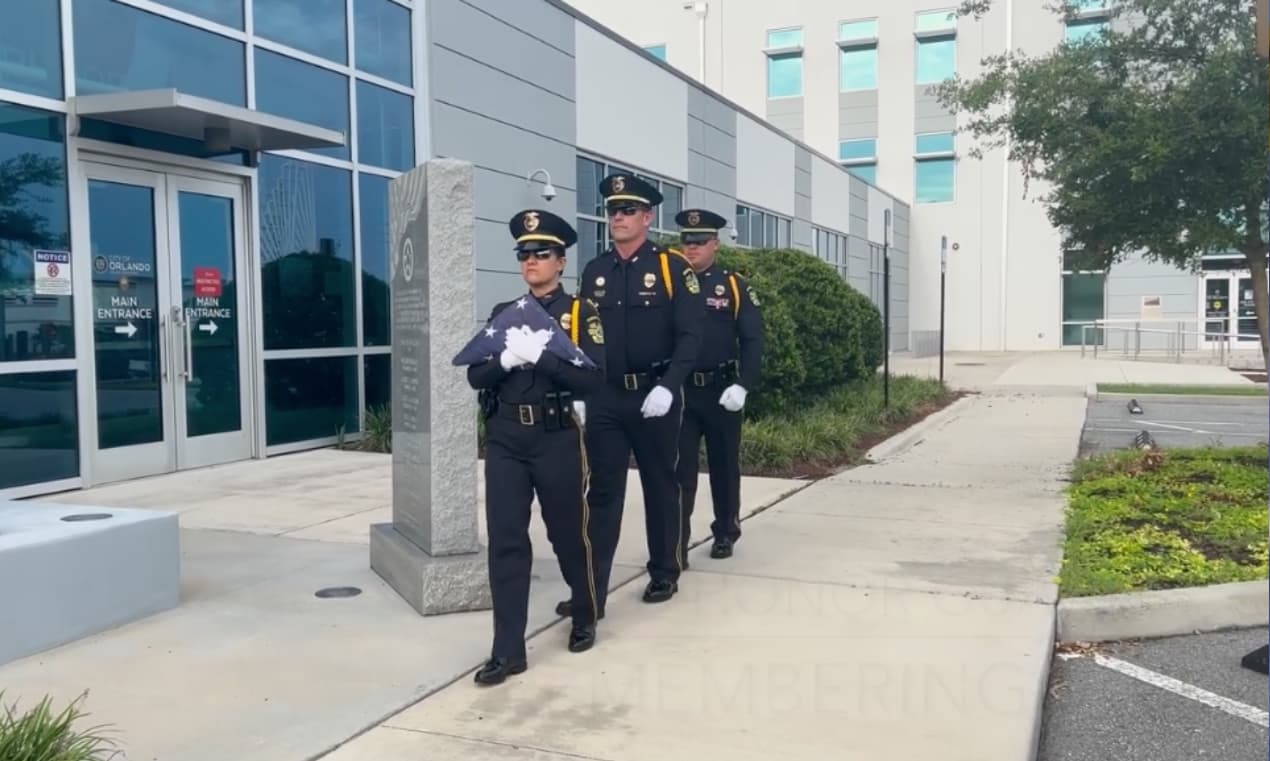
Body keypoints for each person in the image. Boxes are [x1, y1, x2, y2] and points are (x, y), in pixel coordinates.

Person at [466, 209, 606, 687]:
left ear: (561, 261)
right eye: (524, 253)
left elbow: (593, 378)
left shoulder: (580, 313)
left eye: (541, 253)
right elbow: (474, 373)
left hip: (556, 438)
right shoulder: (506, 314)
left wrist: (542, 357)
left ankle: (585, 610)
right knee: (506, 541)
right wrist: (506, 357)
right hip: (506, 438)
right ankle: (508, 651)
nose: (531, 261)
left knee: (567, 533)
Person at [556, 173, 706, 618]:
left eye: (627, 211)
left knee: (661, 484)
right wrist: (578, 388)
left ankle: (665, 569)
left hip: (653, 396)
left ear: (647, 216)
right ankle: (592, 589)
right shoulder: (595, 270)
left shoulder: (672, 268)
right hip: (605, 398)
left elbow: (691, 335)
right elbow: (582, 334)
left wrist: (670, 385)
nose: (617, 218)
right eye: (612, 211)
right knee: (601, 491)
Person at [672, 208, 763, 562]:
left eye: (699, 242)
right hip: (682, 391)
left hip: (721, 391)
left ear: (715, 244)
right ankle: (676, 537)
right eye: (686, 241)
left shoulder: (733, 285)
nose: (691, 248)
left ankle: (726, 530)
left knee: (724, 466)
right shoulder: (671, 283)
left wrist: (744, 384)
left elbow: (753, 339)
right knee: (680, 469)